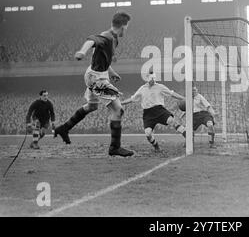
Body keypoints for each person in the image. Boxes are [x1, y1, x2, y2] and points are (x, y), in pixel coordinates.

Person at [54, 12, 134, 157]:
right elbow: (91, 40)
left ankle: (64, 128)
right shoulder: (108, 36)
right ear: (123, 26)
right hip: (96, 79)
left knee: (92, 106)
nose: (127, 30)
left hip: (97, 74)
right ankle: (115, 147)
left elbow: (102, 58)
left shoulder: (114, 39)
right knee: (118, 110)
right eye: (127, 27)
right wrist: (82, 51)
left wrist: (111, 72)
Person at [121, 72, 186, 152]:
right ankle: (156, 146)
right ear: (147, 78)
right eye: (151, 78)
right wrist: (121, 103)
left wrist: (183, 98)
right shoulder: (142, 88)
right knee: (148, 134)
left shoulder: (160, 87)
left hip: (159, 110)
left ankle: (187, 135)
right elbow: (132, 99)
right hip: (148, 113)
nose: (153, 80)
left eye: (154, 78)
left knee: (171, 121)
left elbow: (172, 93)